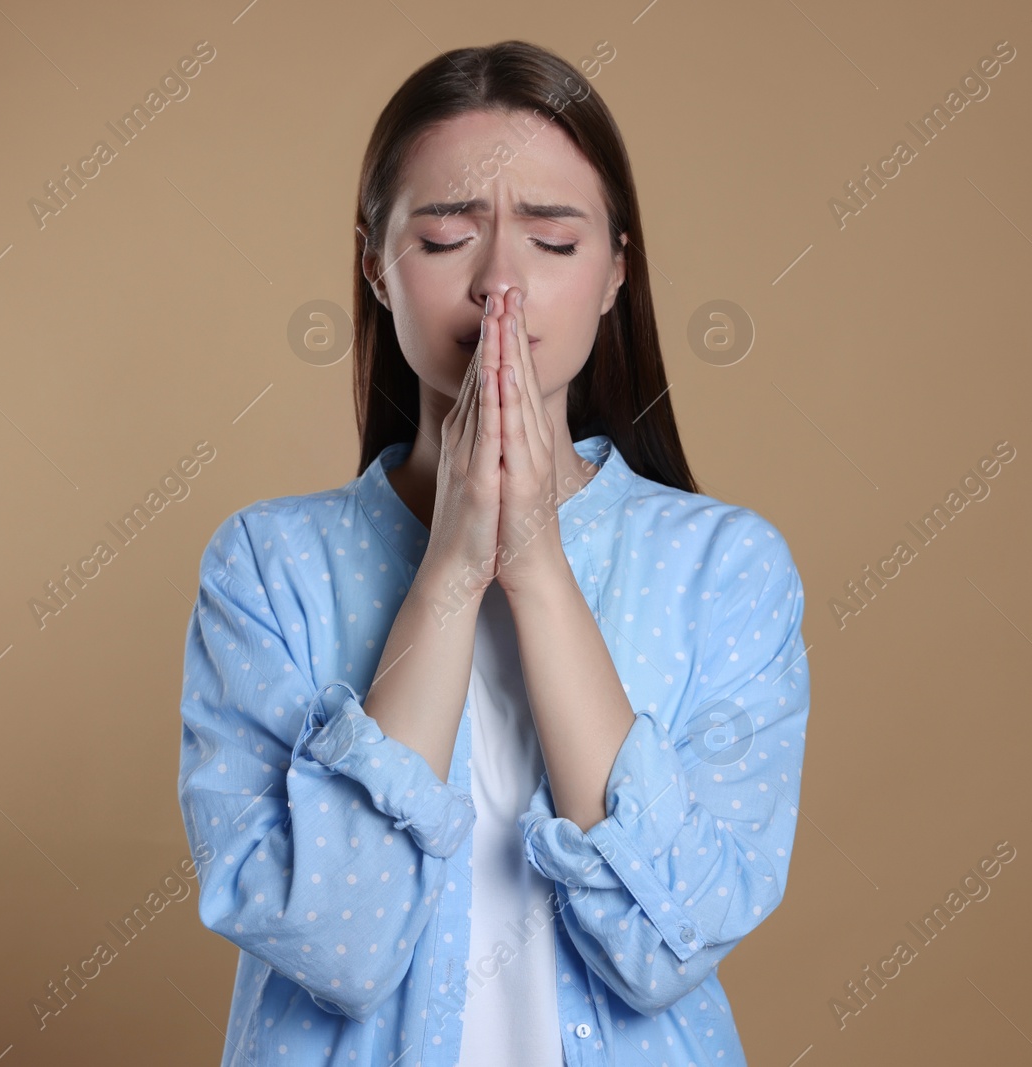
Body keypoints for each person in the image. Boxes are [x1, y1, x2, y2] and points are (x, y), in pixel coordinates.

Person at [177, 39, 810, 1067]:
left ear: (614, 272)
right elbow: (330, 940)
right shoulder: (266, 566)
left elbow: (670, 940)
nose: (498, 285)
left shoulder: (726, 569)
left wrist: (537, 566)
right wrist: (451, 570)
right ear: (374, 264)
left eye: (553, 244)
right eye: (443, 238)